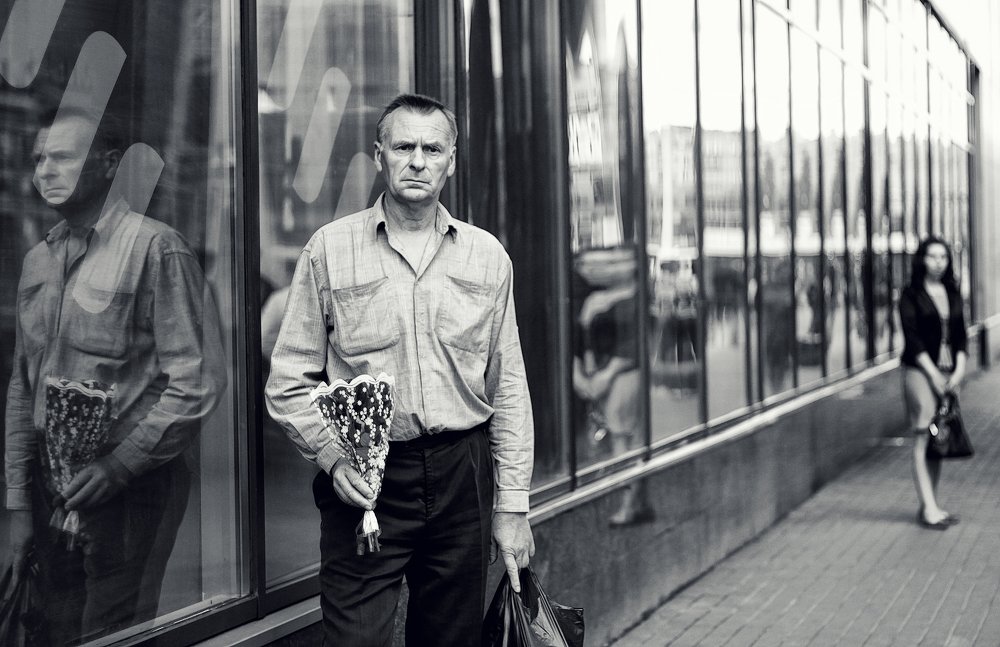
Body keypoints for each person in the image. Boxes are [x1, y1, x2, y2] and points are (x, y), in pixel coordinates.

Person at [265, 93, 534, 646]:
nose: (417, 161)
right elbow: (288, 381)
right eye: (403, 146)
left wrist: (512, 505)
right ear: (379, 155)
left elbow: (507, 388)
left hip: (462, 476)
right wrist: (332, 456)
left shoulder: (487, 257)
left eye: (432, 149)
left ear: (451, 161)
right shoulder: (329, 251)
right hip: (366, 480)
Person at [5, 108, 226, 645]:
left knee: (113, 633)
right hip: (49, 484)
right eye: (39, 159)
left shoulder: (156, 248)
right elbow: (23, 387)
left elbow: (198, 380)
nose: (45, 170)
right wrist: (18, 502)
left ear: (108, 164)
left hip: (131, 488)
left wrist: (120, 466)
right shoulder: (39, 261)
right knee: (50, 628)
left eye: (62, 157)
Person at [899, 236, 967, 530]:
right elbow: (912, 339)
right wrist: (933, 375)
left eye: (943, 257)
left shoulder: (952, 292)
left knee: (937, 437)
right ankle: (928, 508)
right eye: (932, 256)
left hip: (949, 371)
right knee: (923, 434)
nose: (938, 262)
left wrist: (959, 371)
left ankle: (931, 504)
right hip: (919, 371)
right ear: (922, 260)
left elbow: (961, 335)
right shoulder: (911, 294)